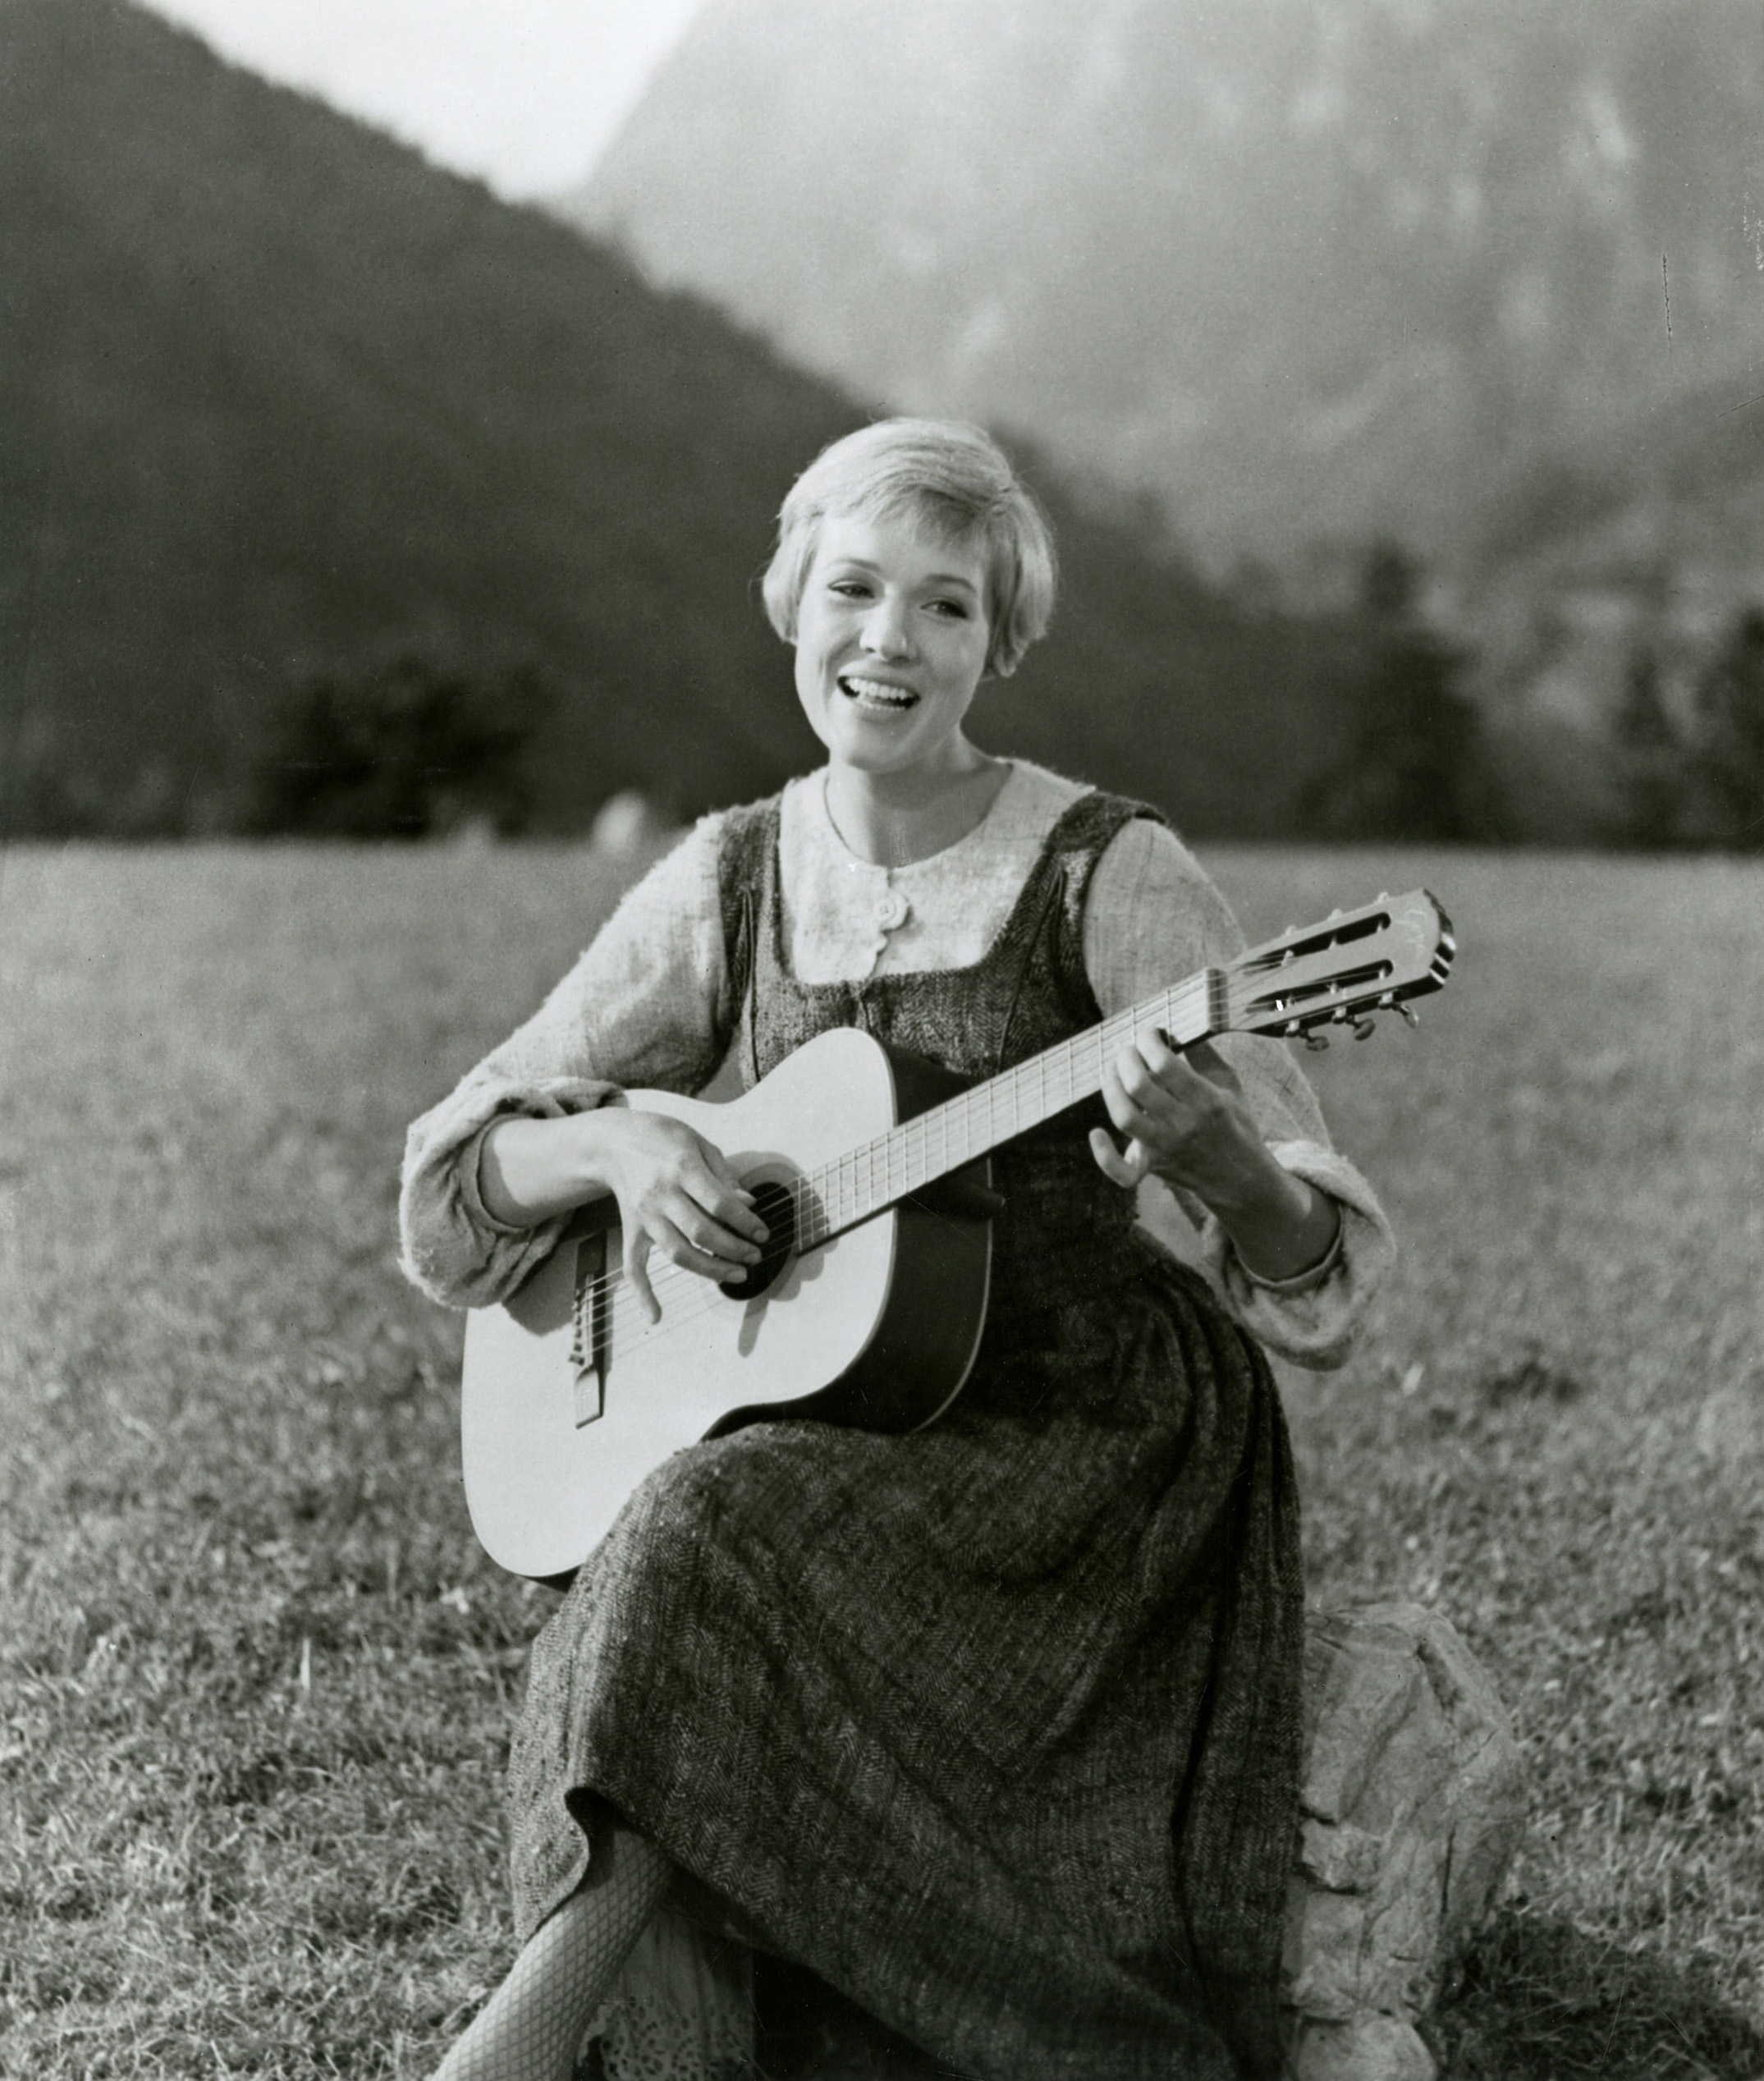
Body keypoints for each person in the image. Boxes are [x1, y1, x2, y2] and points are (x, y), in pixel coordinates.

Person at [399, 419, 1395, 2081]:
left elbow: (1313, 1281)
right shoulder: (729, 873)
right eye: (853, 589)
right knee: (694, 1519)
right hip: (837, 1421)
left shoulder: (1108, 870)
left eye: (946, 604)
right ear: (792, 604)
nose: (889, 639)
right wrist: (619, 1144)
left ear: (997, 642)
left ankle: (509, 2051)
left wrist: (1228, 1167)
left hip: (1082, 1440)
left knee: (695, 1528)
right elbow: (455, 1187)